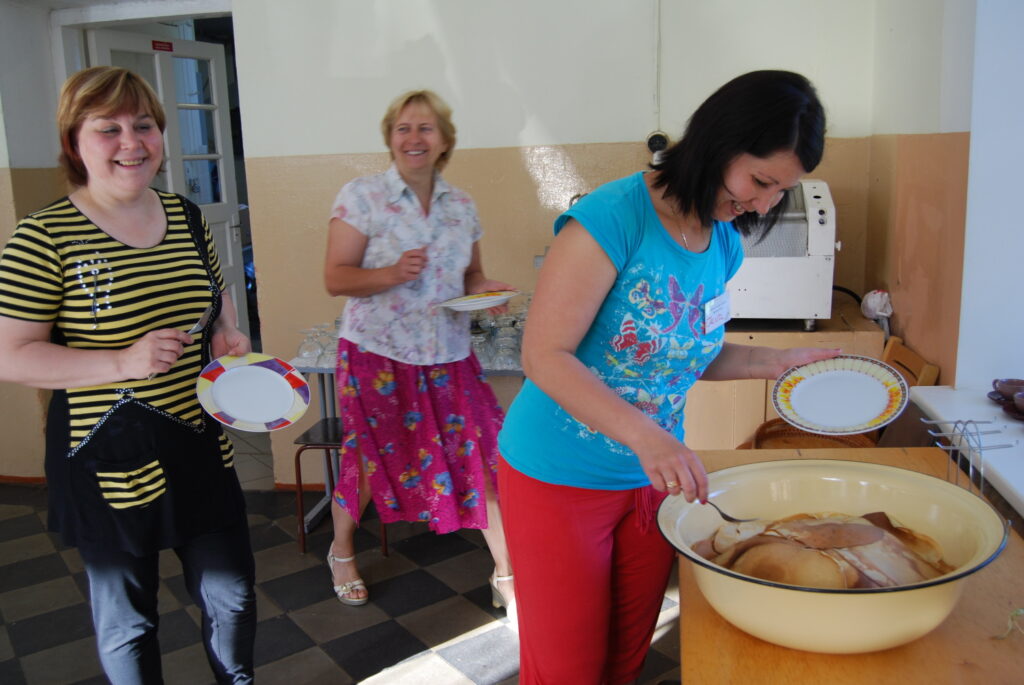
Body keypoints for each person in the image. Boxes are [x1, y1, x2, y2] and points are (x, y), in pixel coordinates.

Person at [497, 70, 837, 683]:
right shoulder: (611, 218)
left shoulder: (723, 242)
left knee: (626, 657)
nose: (763, 205)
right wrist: (649, 437)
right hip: (560, 475)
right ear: (718, 143)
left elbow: (685, 351)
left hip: (653, 482)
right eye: (761, 182)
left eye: (781, 192)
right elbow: (545, 356)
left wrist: (772, 362)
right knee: (568, 669)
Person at [0, 67, 255, 684]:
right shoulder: (44, 236)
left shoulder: (187, 216)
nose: (131, 142)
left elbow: (214, 297)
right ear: (74, 142)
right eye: (107, 129)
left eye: (144, 125)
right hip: (107, 451)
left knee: (232, 596)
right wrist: (120, 363)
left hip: (197, 439)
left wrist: (224, 333)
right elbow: (11, 354)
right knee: (130, 622)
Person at [322, 89, 515, 613]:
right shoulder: (362, 196)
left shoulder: (462, 206)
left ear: (445, 140)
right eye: (403, 128)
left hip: (448, 354)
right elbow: (336, 278)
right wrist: (390, 273)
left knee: (483, 457)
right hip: (376, 355)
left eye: (425, 128)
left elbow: (471, 274)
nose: (414, 138)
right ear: (389, 138)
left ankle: (506, 574)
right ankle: (341, 552)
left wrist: (484, 291)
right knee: (368, 461)